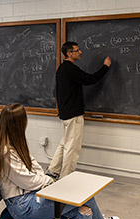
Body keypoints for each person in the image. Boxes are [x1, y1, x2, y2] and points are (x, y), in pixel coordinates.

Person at [0, 103, 120, 219]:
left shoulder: (15, 144)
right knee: (81, 194)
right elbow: (27, 181)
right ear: (17, 125)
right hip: (23, 207)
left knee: (83, 211)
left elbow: (35, 167)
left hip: (32, 195)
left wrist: (44, 182)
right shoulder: (4, 153)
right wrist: (49, 181)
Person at [46, 41, 112, 179]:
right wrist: (105, 67)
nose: (80, 52)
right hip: (73, 114)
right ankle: (66, 178)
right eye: (77, 50)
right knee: (72, 148)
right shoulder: (71, 69)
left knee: (65, 143)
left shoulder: (62, 68)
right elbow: (90, 79)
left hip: (65, 113)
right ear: (69, 53)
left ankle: (53, 170)